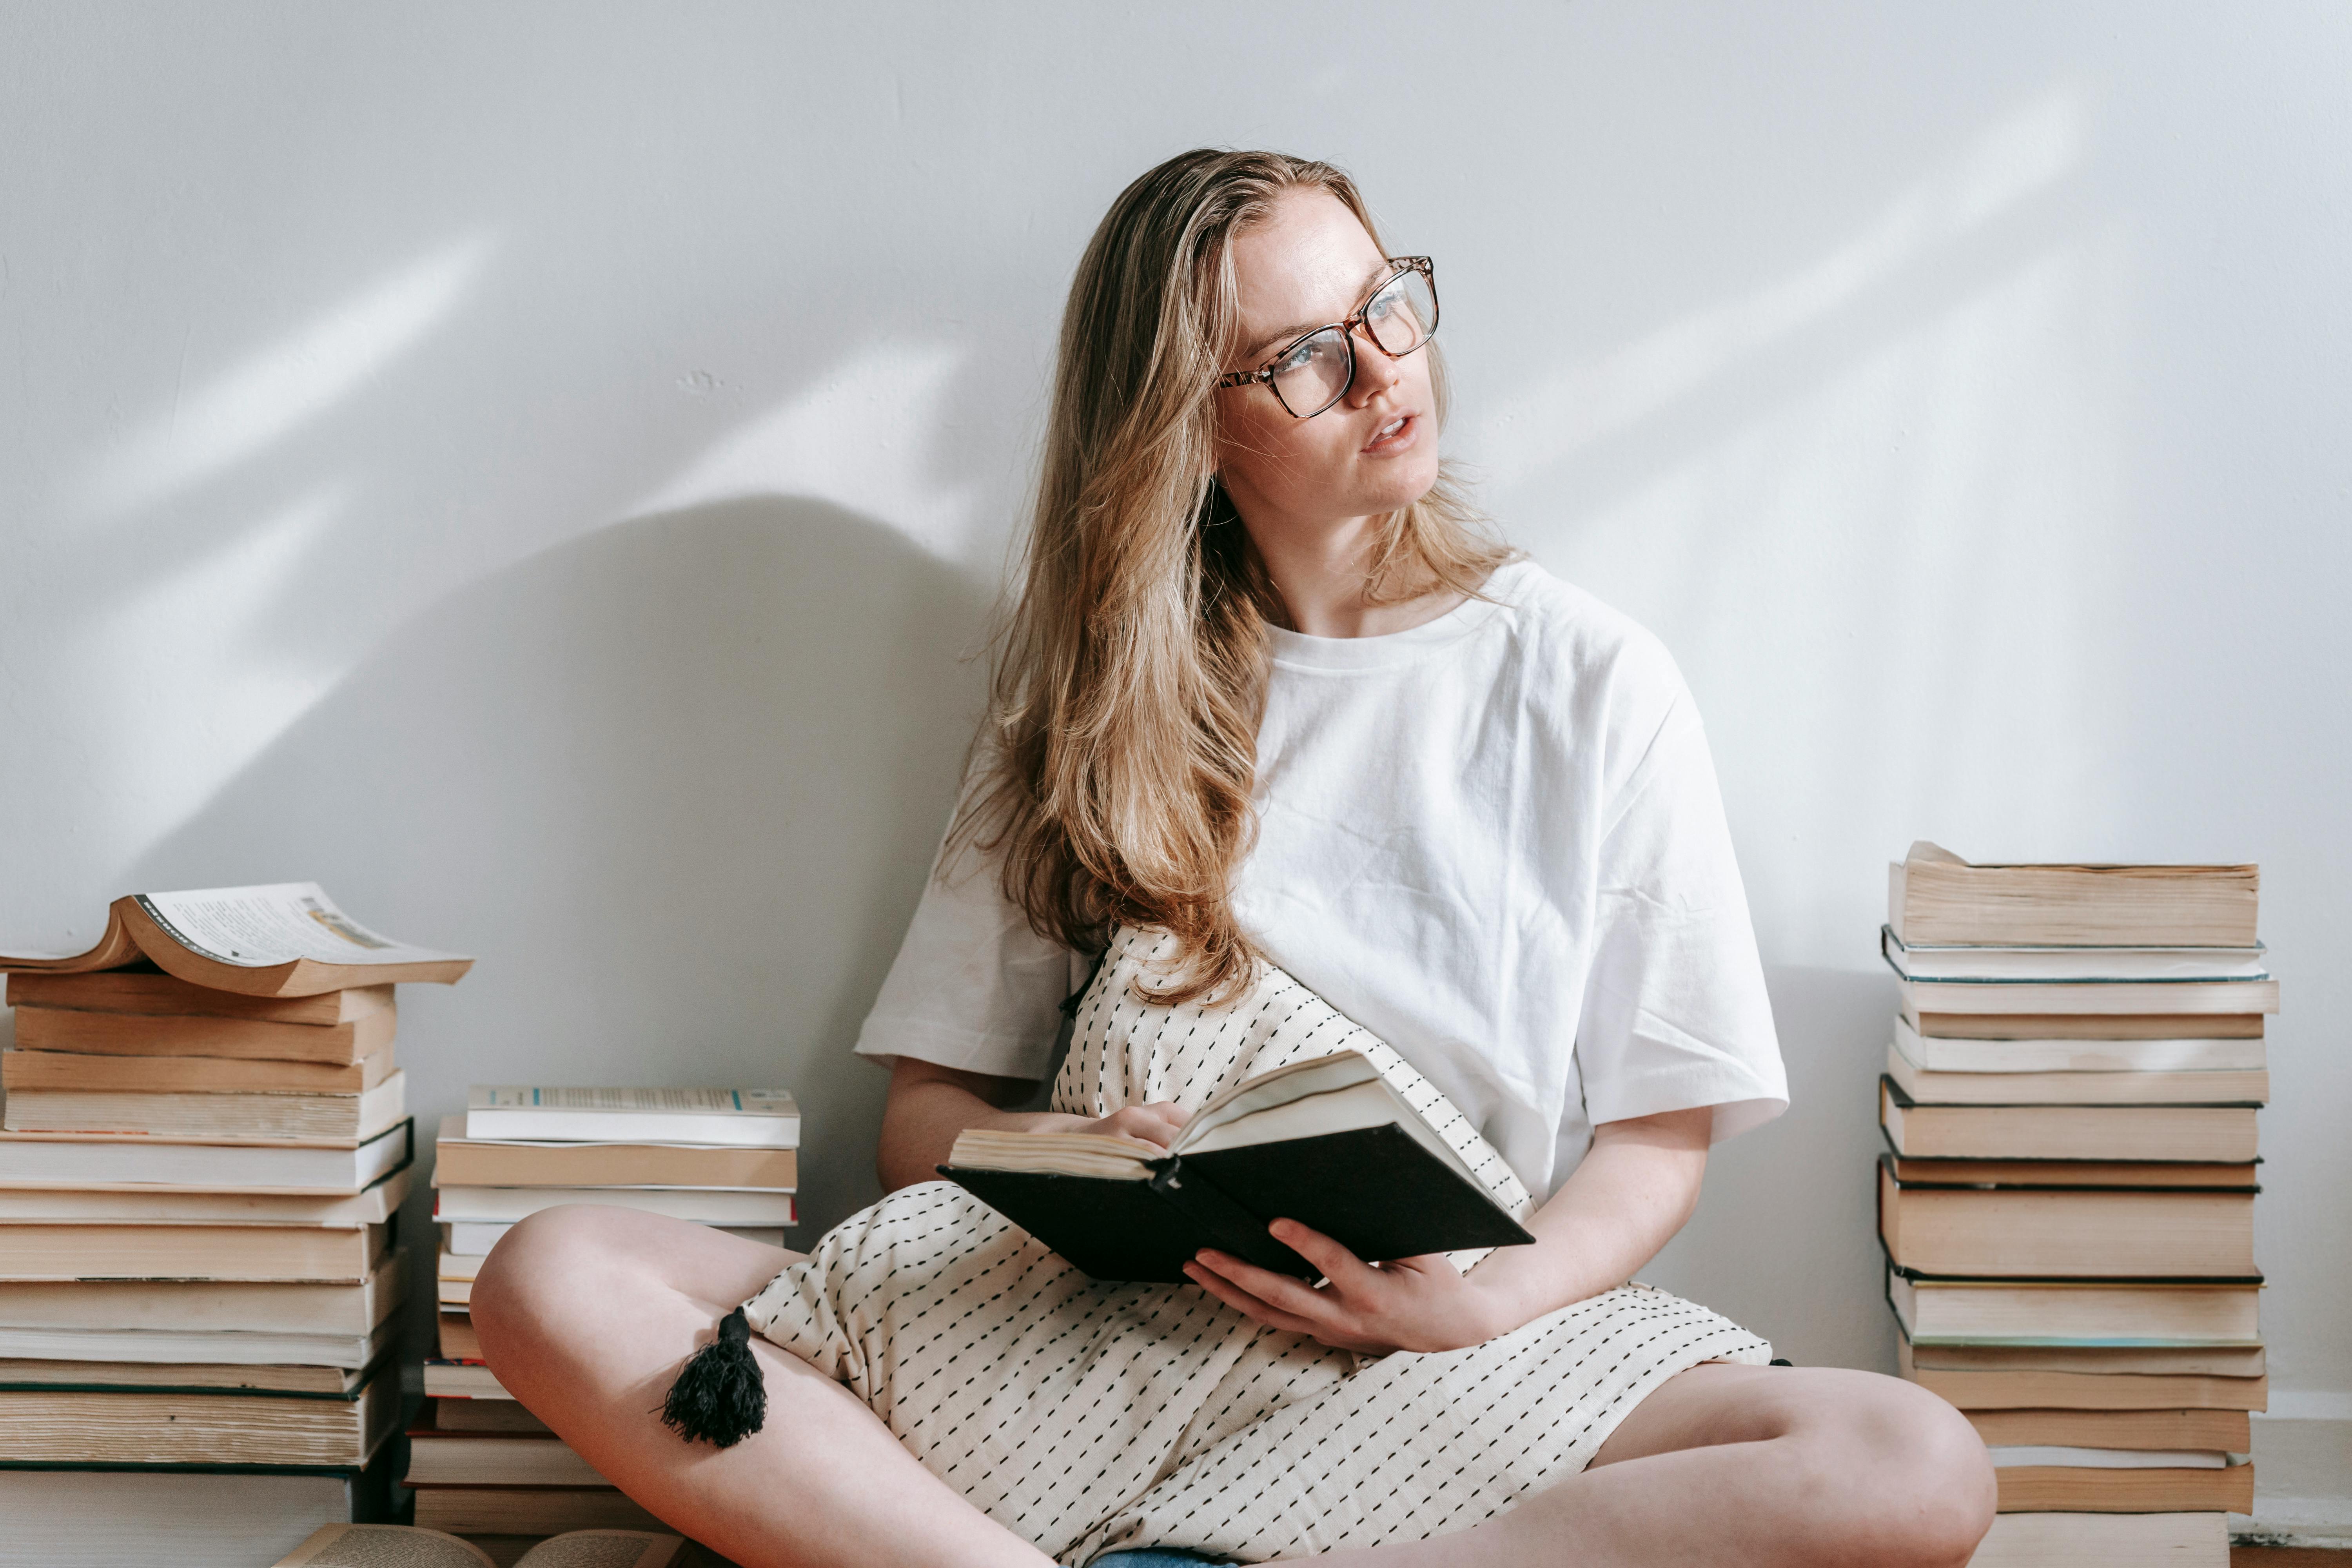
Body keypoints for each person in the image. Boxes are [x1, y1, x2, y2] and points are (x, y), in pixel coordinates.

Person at [473, 149, 1995, 1568]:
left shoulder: (1588, 677)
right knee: (549, 1270)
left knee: (1910, 1461)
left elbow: (1664, 1133)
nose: (1387, 371)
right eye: (1306, 359)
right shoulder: (1090, 699)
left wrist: (1476, 1304)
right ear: (1190, 427)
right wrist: (1080, 1160)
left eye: (1386, 304)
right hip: (1087, 1324)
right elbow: (927, 1116)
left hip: (1443, 1336)